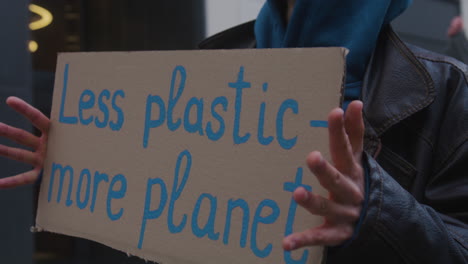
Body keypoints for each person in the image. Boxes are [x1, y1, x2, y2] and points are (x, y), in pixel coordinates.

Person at [1, 0, 467, 263]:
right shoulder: (214, 64)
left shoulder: (446, 89)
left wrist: (375, 212)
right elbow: (174, 216)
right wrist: (88, 164)